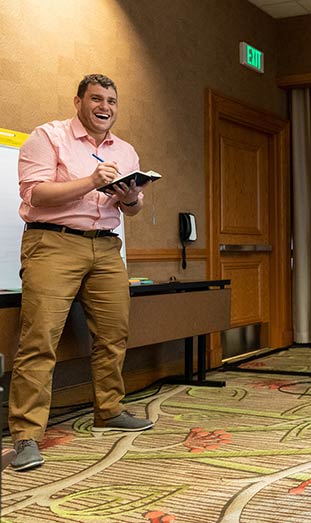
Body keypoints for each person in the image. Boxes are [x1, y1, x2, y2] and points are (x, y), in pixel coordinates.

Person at [8, 74, 154, 471]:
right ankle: (26, 436)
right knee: (39, 340)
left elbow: (133, 208)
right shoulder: (48, 136)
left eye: (111, 99)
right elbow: (35, 193)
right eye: (96, 98)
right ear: (78, 101)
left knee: (114, 334)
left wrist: (131, 198)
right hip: (53, 243)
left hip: (106, 246)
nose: (104, 106)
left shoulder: (125, 150)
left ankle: (108, 410)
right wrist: (91, 180)